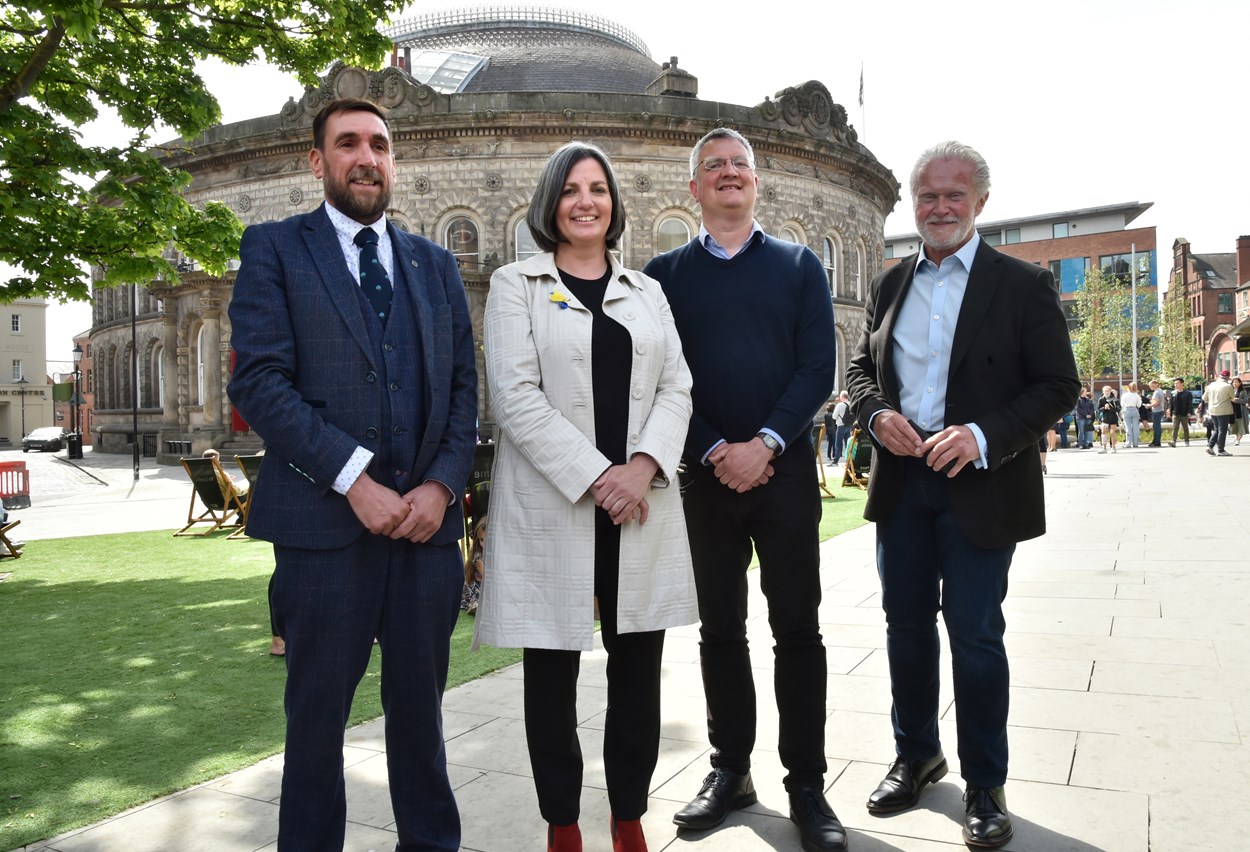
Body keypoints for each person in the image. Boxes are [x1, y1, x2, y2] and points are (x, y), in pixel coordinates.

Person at [226, 97, 478, 851]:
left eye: (379, 144)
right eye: (347, 144)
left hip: (427, 537)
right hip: (322, 533)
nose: (366, 156)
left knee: (420, 721)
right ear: (318, 161)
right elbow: (260, 383)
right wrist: (354, 481)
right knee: (315, 727)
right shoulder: (273, 248)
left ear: (393, 160)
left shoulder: (435, 264)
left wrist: (439, 485)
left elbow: (466, 387)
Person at [846, 141, 1079, 849]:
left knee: (975, 634)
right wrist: (874, 412)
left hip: (981, 486)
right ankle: (917, 755)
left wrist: (981, 435)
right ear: (913, 203)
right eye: (927, 195)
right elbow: (860, 368)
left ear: (979, 202)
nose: (939, 208)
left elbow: (1057, 386)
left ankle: (985, 783)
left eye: (953, 195)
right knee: (905, 627)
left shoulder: (1022, 285)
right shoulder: (890, 284)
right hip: (904, 482)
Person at [476, 141, 697, 852]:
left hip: (641, 505)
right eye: (570, 189)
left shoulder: (649, 292)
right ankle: (563, 822)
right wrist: (601, 475)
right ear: (550, 204)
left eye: (597, 188)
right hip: (556, 504)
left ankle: (628, 813)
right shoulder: (517, 284)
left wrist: (641, 467)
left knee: (638, 673)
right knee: (551, 676)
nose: (585, 201)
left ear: (613, 204)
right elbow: (514, 396)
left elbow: (677, 388)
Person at [643, 127, 844, 852]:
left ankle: (807, 784)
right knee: (720, 630)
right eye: (713, 166)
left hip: (783, 474)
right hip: (704, 478)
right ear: (694, 189)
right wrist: (712, 448)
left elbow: (816, 368)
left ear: (757, 183)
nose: (729, 173)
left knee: (798, 632)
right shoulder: (664, 275)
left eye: (741, 165)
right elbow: (660, 377)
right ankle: (731, 770)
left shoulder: (799, 266)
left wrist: (764, 444)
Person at [1204, 369, 1235, 455]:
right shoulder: (1228, 386)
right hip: (1224, 410)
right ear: (1228, 377)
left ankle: (1210, 446)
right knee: (1222, 430)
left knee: (1216, 429)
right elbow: (1233, 397)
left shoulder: (1211, 385)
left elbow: (1204, 398)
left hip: (1212, 410)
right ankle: (1221, 450)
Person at [461, 514, 486, 615]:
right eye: (481, 540)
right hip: (477, 588)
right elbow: (479, 579)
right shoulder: (478, 556)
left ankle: (479, 606)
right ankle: (476, 606)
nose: (484, 544)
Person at [1096, 386, 1120, 453]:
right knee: (1103, 432)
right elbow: (1098, 409)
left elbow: (1118, 409)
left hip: (1113, 418)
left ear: (1110, 391)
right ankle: (1104, 447)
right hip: (1105, 418)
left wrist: (1111, 409)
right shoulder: (1101, 399)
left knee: (1112, 432)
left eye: (1107, 391)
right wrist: (1104, 408)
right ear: (1103, 392)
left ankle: (1113, 447)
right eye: (1105, 391)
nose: (1106, 392)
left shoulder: (1114, 399)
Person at [1168, 378, 1192, 447]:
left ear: (1182, 384)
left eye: (1177, 383)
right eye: (1175, 383)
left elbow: (1190, 403)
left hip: (1184, 413)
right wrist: (1170, 412)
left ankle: (1186, 441)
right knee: (1175, 427)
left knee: (1185, 428)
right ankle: (1173, 441)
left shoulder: (1188, 393)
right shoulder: (1173, 393)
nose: (1175, 385)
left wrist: (1189, 412)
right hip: (1176, 413)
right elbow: (1171, 404)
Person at [832, 390, 853, 464]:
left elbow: (834, 417)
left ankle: (836, 459)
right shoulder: (851, 404)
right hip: (849, 425)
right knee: (848, 443)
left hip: (841, 425)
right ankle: (849, 458)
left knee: (838, 442)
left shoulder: (839, 405)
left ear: (842, 396)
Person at [1120, 383, 1142, 448]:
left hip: (1127, 410)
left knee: (1128, 427)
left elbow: (1122, 404)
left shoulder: (1125, 395)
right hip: (1135, 410)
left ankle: (1128, 443)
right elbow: (1139, 405)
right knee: (1135, 427)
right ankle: (1135, 443)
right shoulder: (1137, 395)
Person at [1231, 377, 1249, 446]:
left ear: (1240, 383)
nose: (1234, 384)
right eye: (1233, 382)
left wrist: (1236, 400)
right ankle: (1237, 438)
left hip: (1241, 411)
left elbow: (1246, 400)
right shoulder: (1230, 390)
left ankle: (1238, 440)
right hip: (1233, 411)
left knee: (1241, 427)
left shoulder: (1243, 391)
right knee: (1234, 427)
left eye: (1236, 382)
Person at [1148, 380, 1166, 447]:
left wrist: (1149, 406)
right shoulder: (1159, 391)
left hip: (1157, 411)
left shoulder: (1157, 392)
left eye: (1150, 385)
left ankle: (1157, 441)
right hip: (1159, 410)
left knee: (1156, 427)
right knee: (1156, 426)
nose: (1149, 387)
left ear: (1155, 384)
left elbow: (1156, 403)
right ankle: (1155, 440)